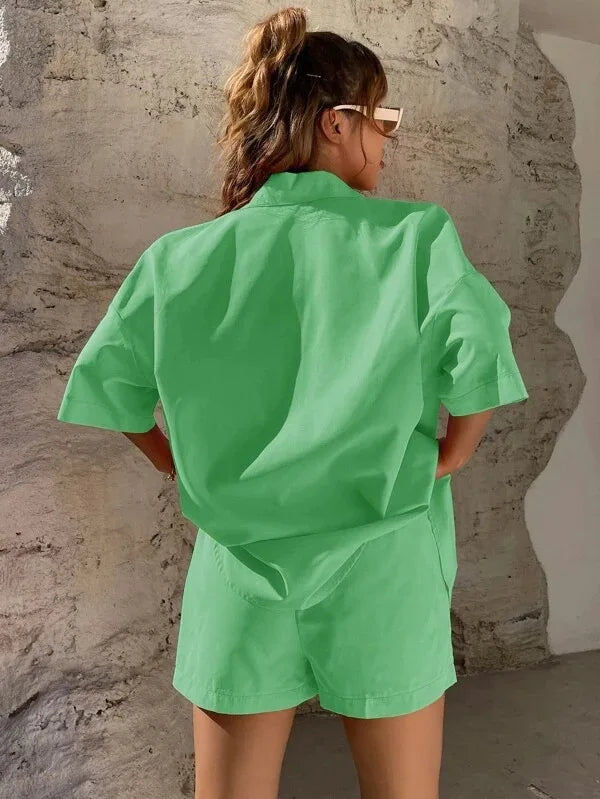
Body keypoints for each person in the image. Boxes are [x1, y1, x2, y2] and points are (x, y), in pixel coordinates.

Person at [56, 6, 529, 798]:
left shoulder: (179, 259)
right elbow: (478, 360)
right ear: (336, 123)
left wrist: (181, 470)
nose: (388, 141)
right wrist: (454, 453)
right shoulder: (415, 238)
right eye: (382, 120)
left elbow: (115, 391)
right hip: (383, 558)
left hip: (241, 564)